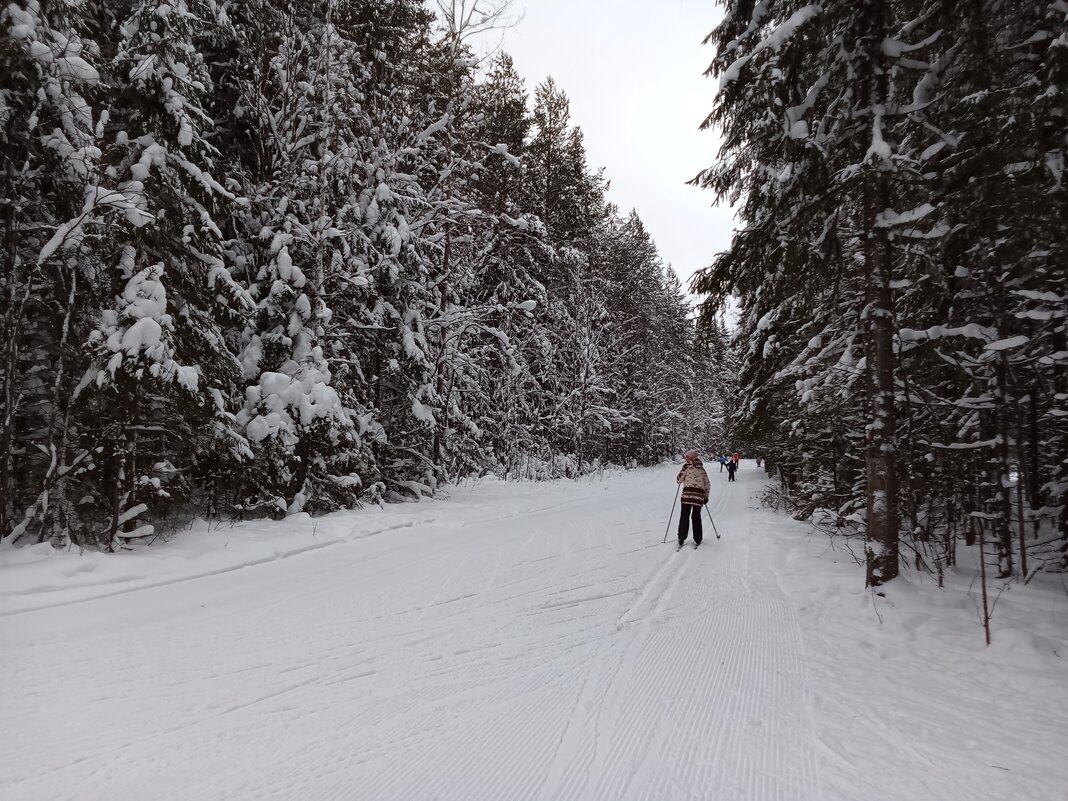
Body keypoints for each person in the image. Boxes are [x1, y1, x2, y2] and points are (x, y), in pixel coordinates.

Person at [676, 449, 710, 549]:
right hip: (699, 497)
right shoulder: (702, 469)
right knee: (696, 517)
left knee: (684, 516)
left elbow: (679, 480)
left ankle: (681, 538)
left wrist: (681, 476)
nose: (685, 458)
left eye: (687, 457)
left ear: (691, 458)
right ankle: (698, 538)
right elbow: (707, 484)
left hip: (687, 496)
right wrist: (706, 497)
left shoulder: (686, 466)